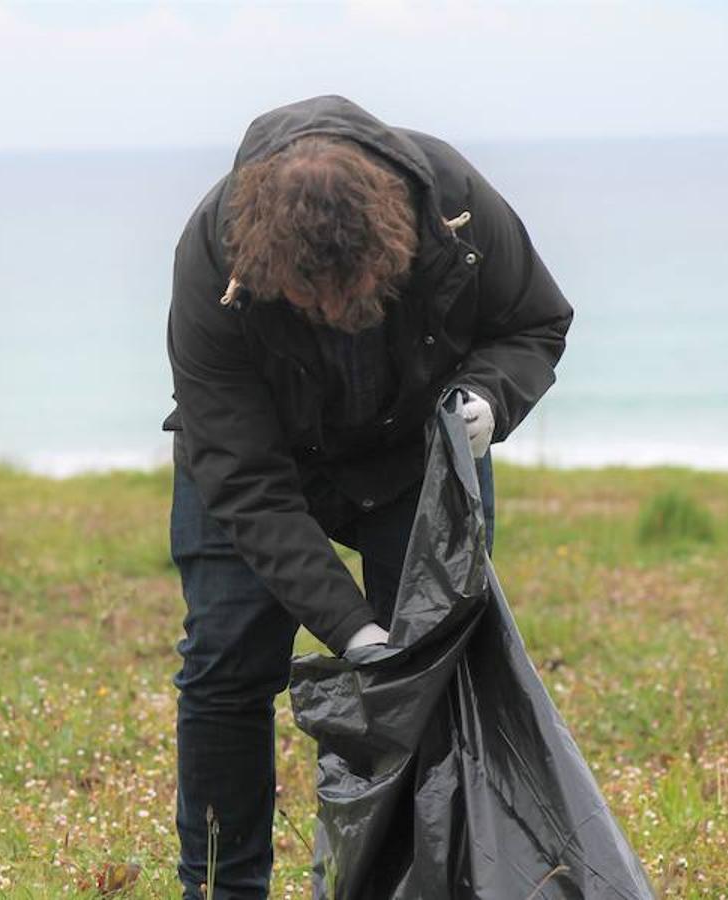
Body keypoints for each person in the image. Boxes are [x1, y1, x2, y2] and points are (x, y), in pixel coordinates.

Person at [164, 96, 572, 898]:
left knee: (430, 675)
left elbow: (534, 320)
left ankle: (400, 881)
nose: (327, 316)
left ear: (395, 240)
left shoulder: (454, 207)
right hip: (262, 456)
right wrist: (351, 630)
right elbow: (243, 478)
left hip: (415, 451)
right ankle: (219, 887)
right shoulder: (215, 259)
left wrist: (489, 400)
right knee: (224, 666)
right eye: (306, 302)